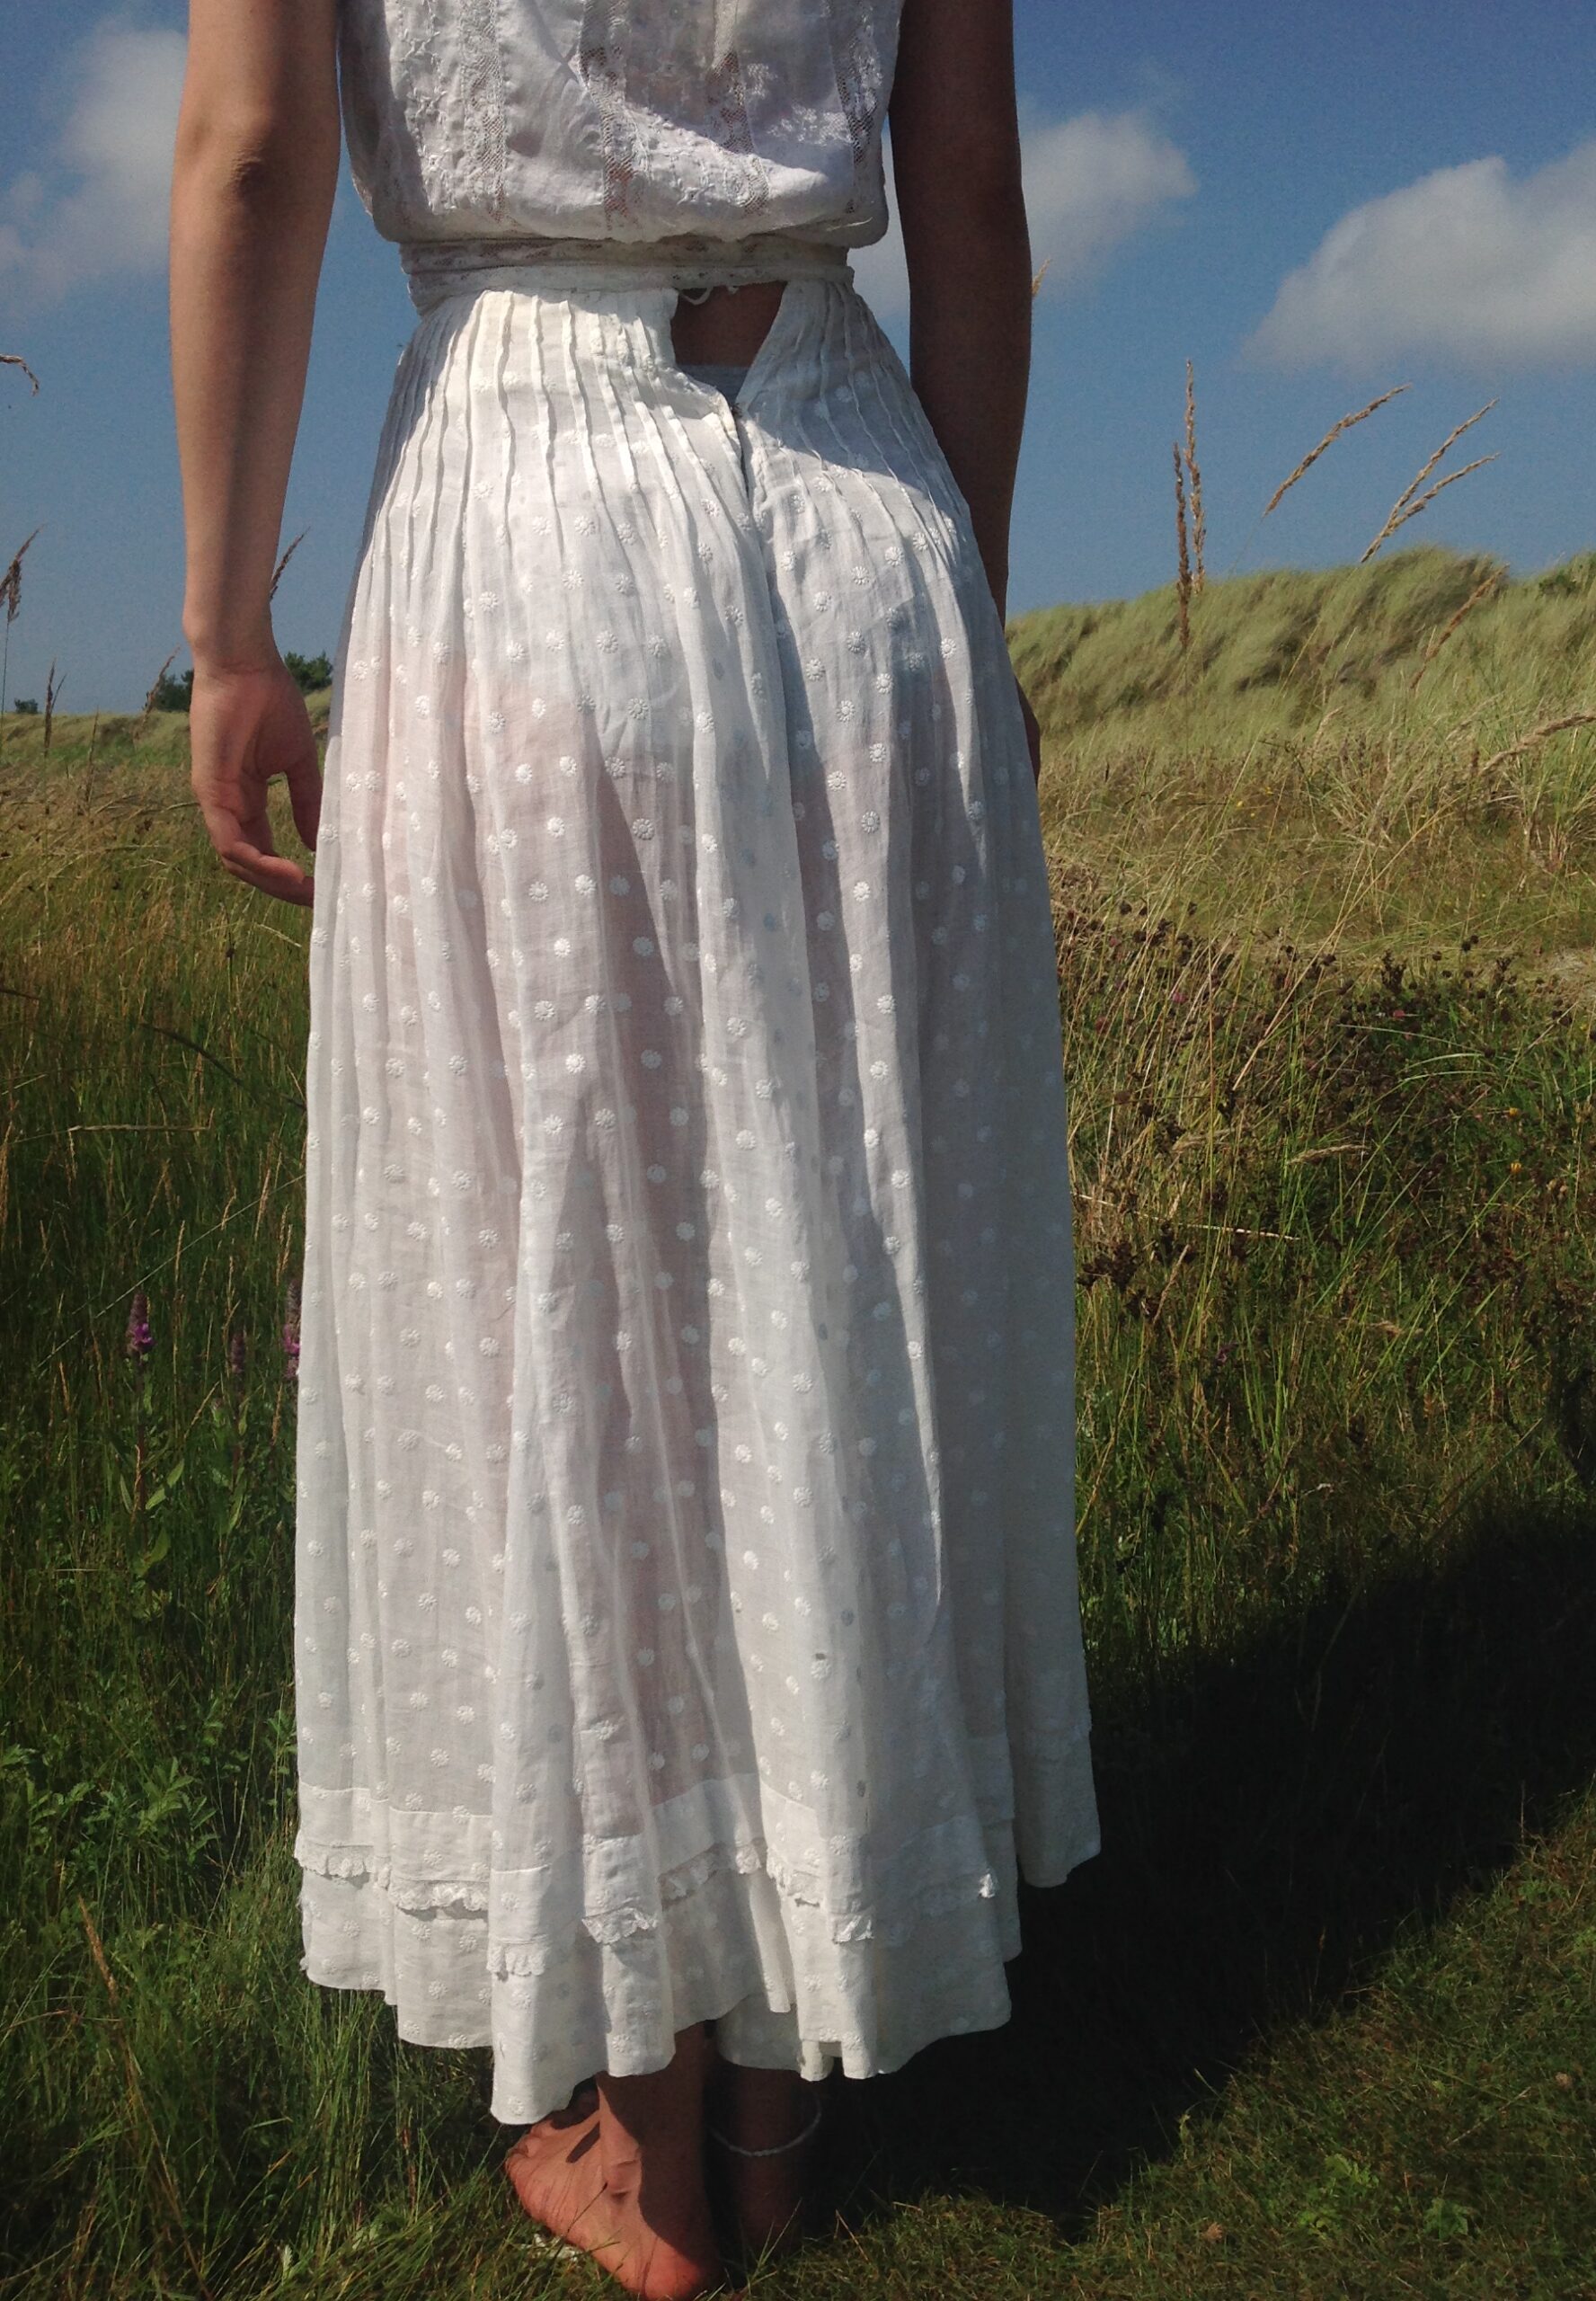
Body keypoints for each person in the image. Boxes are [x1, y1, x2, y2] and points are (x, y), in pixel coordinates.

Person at [171, 1, 1100, 2292]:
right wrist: (955, 593)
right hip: (852, 496)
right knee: (821, 1286)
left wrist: (224, 624)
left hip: (526, 525)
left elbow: (252, 156)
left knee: (566, 1314)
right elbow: (971, 202)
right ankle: (781, 2069)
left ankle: (650, 2125)